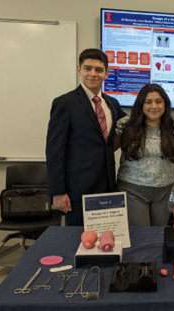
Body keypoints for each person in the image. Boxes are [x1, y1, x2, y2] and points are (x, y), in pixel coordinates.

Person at [47, 49, 127, 226]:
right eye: (88, 68)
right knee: (78, 240)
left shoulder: (112, 104)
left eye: (99, 70)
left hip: (108, 186)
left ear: (106, 73)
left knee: (108, 238)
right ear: (79, 70)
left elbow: (129, 126)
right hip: (78, 188)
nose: (93, 74)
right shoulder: (64, 103)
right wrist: (57, 192)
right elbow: (54, 151)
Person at [115, 84, 174, 227]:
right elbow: (106, 151)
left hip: (165, 190)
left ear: (165, 103)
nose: (154, 106)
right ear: (141, 104)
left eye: (158, 101)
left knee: (159, 234)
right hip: (133, 190)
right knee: (142, 236)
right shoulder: (125, 125)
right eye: (148, 102)